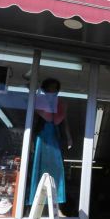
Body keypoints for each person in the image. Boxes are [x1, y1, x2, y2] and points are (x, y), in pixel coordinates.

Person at [28, 78, 71, 206]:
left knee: (56, 166)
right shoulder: (39, 101)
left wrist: (69, 136)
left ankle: (56, 197)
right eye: (51, 88)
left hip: (54, 136)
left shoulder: (60, 104)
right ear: (45, 89)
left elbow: (64, 121)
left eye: (55, 88)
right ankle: (35, 197)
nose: (53, 90)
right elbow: (33, 121)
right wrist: (30, 139)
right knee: (39, 164)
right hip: (42, 135)